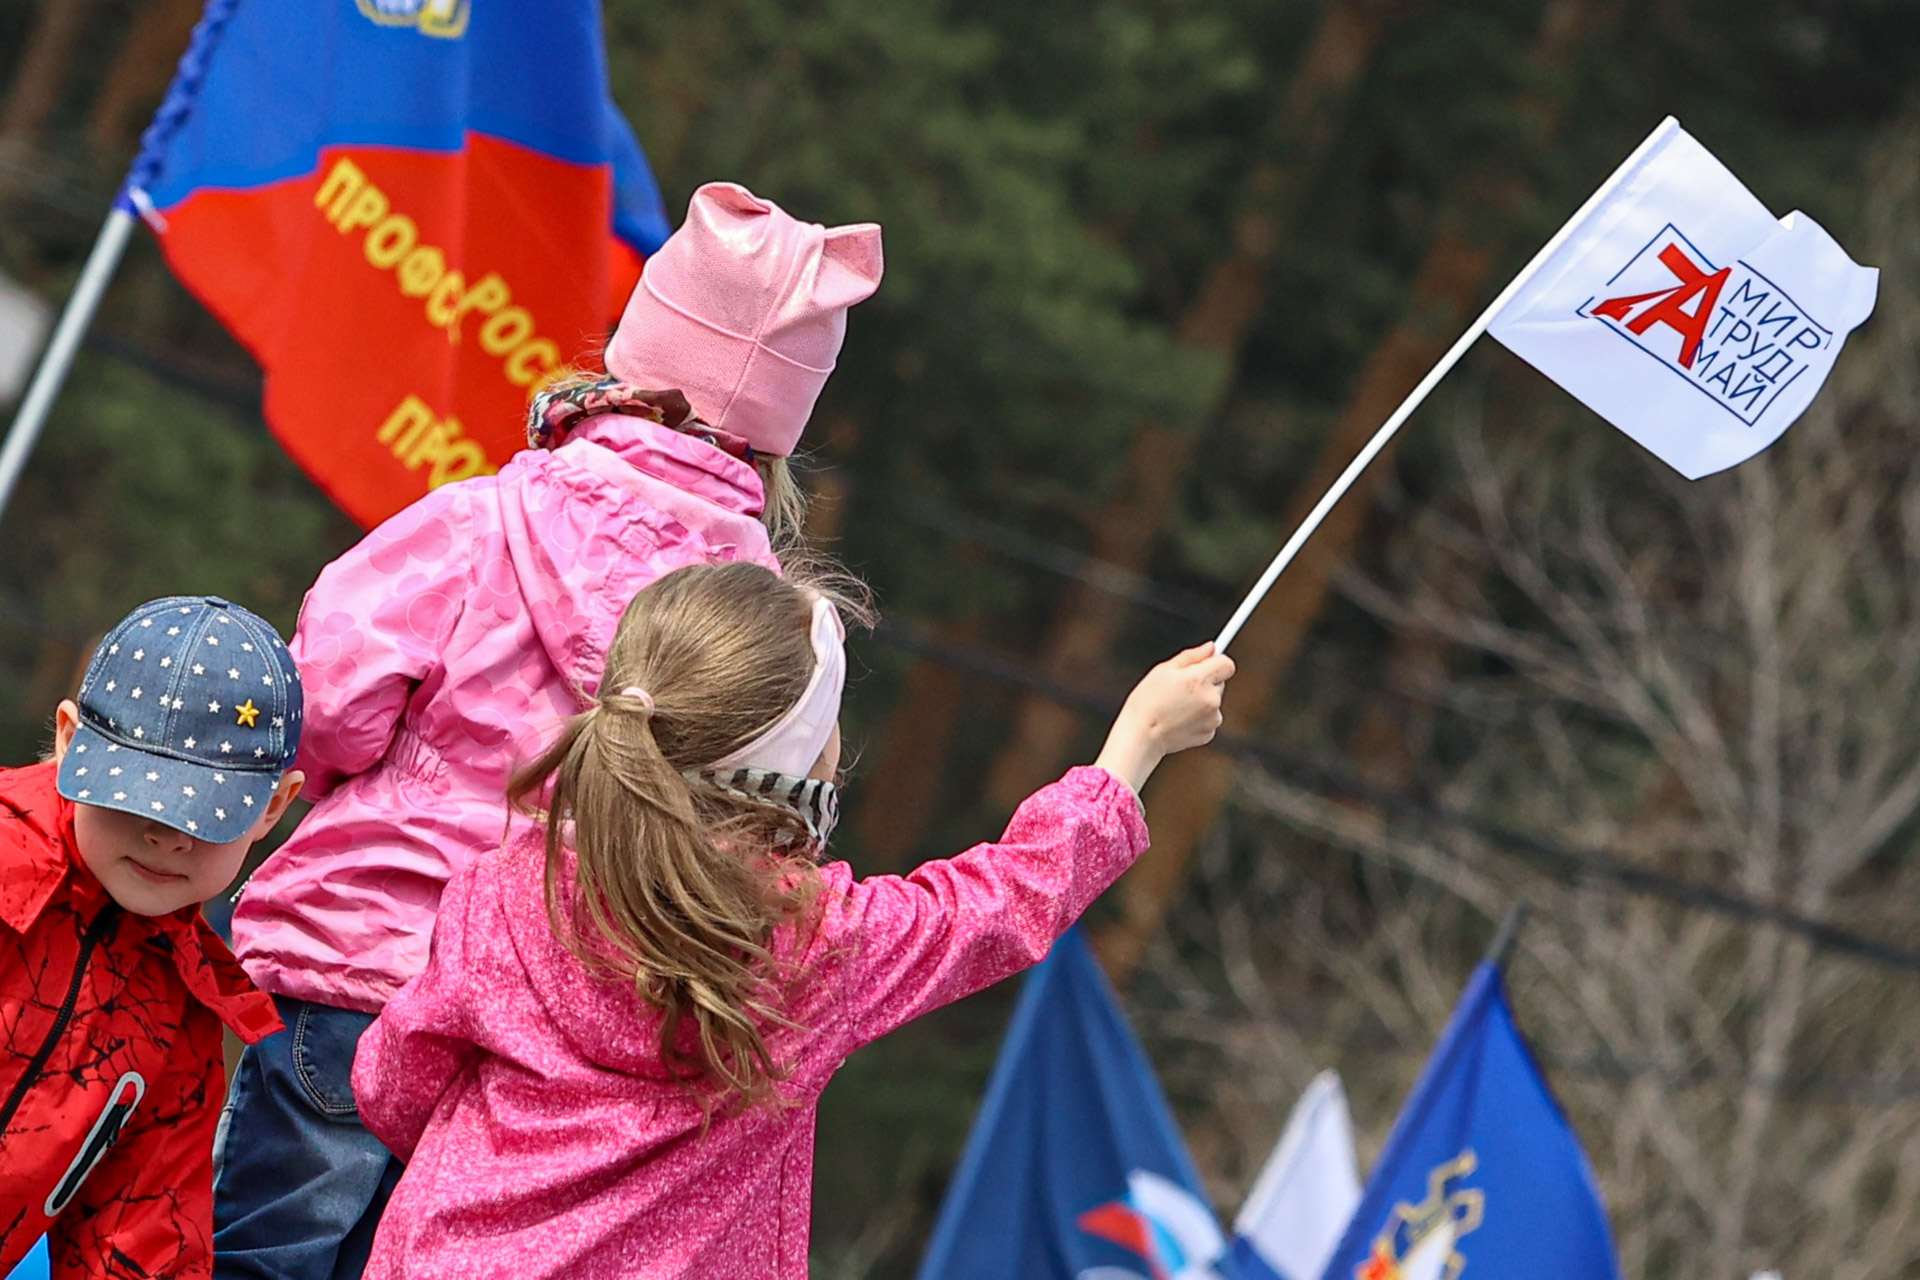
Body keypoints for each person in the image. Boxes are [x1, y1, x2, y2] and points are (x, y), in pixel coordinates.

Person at [211, 184, 883, 1280]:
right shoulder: (772, 635)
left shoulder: (481, 520)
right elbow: (767, 843)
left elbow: (323, 700)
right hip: (544, 1046)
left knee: (255, 1256)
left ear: (628, 358)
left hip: (347, 967)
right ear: (777, 441)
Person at [350, 562, 1235, 1278]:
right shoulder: (813, 946)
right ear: (802, 760)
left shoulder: (508, 887)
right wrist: (1137, 745)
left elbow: (395, 1080)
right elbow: (1005, 900)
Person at [0, 597, 302, 1279]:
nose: (167, 835)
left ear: (273, 808)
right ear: (72, 740)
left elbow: (141, 1238)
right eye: (137, 792)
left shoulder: (185, 1012)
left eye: (205, 812)